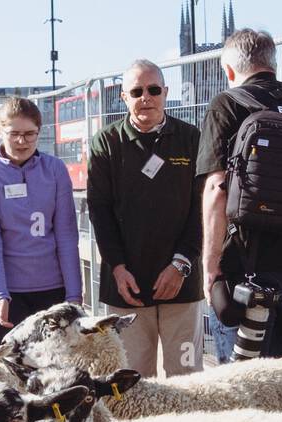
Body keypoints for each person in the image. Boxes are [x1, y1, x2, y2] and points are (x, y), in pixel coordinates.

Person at [198, 28, 282, 360]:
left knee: (243, 384)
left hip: (247, 266)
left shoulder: (227, 104)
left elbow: (217, 189)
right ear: (272, 63)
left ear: (229, 71)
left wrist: (211, 265)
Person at [87, 60, 203, 377]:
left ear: (165, 93)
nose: (146, 98)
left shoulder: (191, 139)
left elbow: (201, 209)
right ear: (124, 97)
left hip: (181, 283)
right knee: (132, 381)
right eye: (136, 91)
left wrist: (180, 265)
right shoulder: (106, 143)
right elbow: (100, 210)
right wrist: (118, 267)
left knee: (188, 376)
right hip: (127, 288)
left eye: (153, 90)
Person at [0, 96, 82, 345]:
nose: (22, 141)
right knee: (16, 371)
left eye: (30, 134)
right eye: (14, 133)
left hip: (53, 290)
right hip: (9, 292)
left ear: (39, 132)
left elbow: (66, 235)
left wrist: (74, 296)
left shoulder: (55, 169)